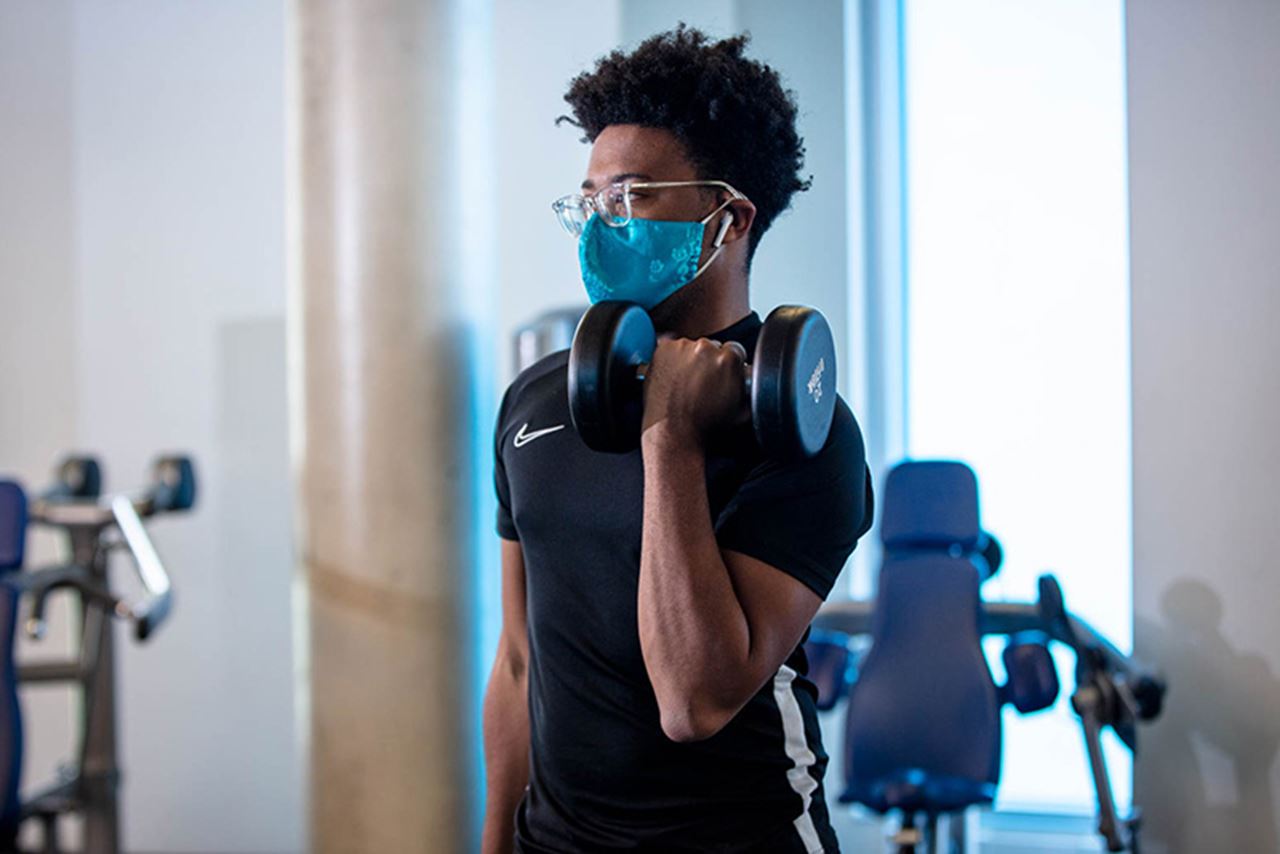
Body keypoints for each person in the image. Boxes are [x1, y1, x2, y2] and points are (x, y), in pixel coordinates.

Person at [482, 25, 874, 854]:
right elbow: (518, 661)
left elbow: (694, 702)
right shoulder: (533, 402)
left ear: (727, 220)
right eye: (589, 200)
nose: (599, 224)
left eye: (630, 197)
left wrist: (670, 434)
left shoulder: (806, 433)